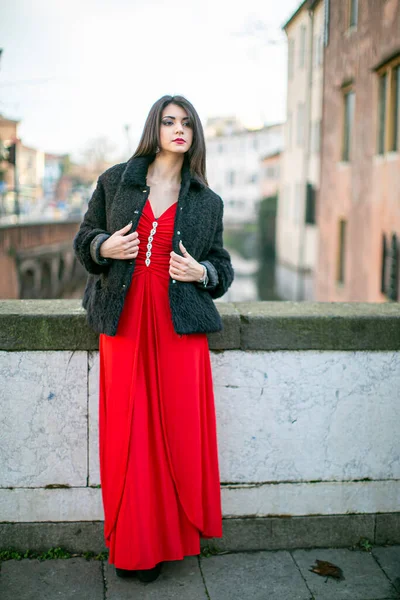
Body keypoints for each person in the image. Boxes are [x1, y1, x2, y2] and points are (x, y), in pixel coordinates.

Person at [73, 94, 234, 584]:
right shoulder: (115, 181)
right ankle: (132, 543)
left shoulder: (208, 201)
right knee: (129, 431)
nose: (179, 129)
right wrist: (104, 246)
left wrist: (201, 271)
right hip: (123, 320)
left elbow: (223, 270)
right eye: (169, 121)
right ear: (155, 128)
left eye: (186, 122)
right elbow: (84, 239)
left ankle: (166, 541)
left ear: (195, 134)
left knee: (175, 432)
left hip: (178, 326)